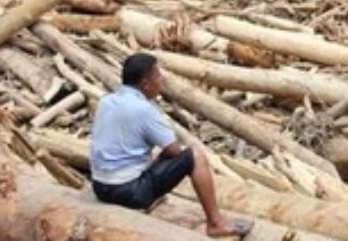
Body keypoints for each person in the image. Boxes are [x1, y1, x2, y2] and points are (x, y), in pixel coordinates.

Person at [90, 53, 253, 238]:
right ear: (145, 83)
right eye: (158, 75)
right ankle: (216, 222)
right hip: (128, 192)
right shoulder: (144, 110)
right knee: (195, 156)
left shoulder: (105, 101)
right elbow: (173, 149)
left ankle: (146, 191)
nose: (162, 80)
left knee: (153, 155)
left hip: (100, 187)